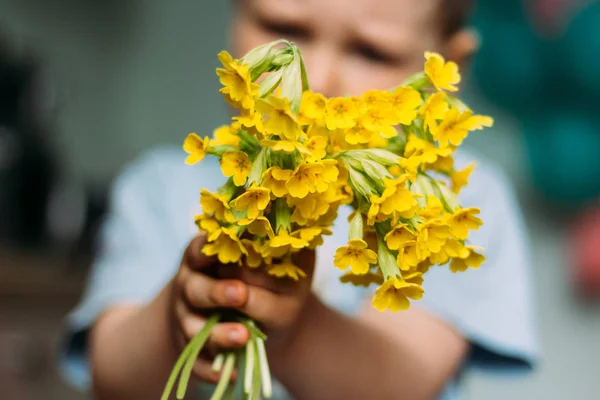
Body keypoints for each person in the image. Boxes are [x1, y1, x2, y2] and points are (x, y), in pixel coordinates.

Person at [61, 0, 539, 399]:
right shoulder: (159, 187)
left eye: (373, 52)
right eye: (283, 28)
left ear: (448, 66)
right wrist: (176, 317)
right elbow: (112, 378)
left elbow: (405, 382)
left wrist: (295, 331)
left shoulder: (457, 196)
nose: (317, 81)